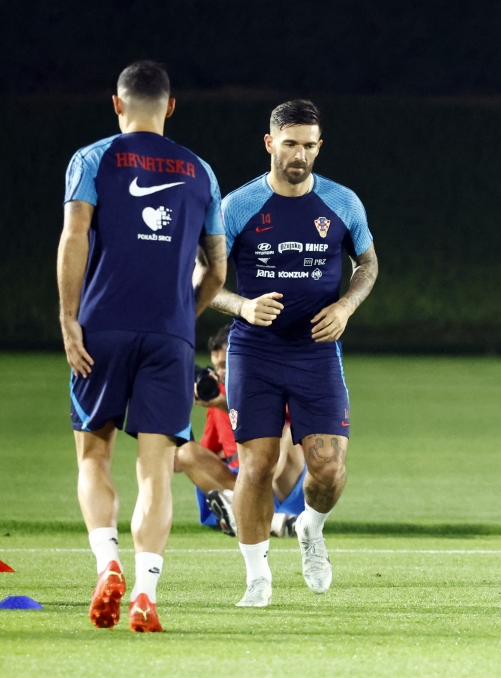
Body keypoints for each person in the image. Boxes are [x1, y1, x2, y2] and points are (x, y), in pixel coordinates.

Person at [58, 61, 227, 631]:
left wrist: (67, 317)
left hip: (100, 326)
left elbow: (75, 234)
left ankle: (108, 565)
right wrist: (185, 316)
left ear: (116, 104)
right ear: (171, 106)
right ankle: (146, 592)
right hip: (169, 335)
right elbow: (218, 271)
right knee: (155, 470)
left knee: (94, 454)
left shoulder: (92, 158)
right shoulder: (201, 171)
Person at [209, 99, 378, 607]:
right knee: (257, 466)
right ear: (269, 144)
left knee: (327, 468)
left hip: (316, 351)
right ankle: (257, 575)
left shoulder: (343, 203)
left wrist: (347, 306)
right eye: (290, 144)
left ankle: (311, 527)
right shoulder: (236, 207)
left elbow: (367, 265)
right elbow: (200, 280)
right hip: (255, 351)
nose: (299, 154)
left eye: (309, 145)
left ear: (319, 145)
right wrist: (241, 305)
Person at [174, 324, 306, 537]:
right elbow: (203, 456)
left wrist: (225, 404)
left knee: (287, 435)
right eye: (217, 367)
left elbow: (278, 423)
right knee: (187, 452)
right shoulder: (217, 397)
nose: (220, 372)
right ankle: (263, 518)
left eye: (226, 364)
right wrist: (179, 410)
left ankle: (246, 512)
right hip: (241, 481)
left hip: (280, 479)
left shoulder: (272, 382)